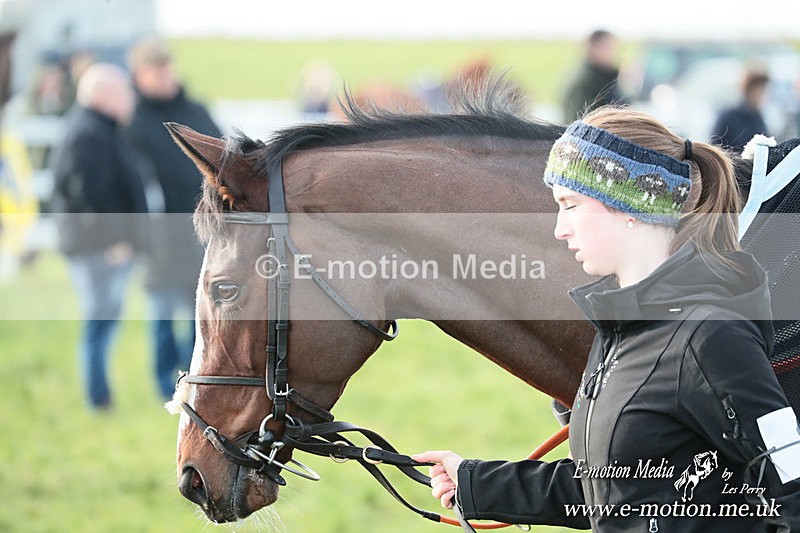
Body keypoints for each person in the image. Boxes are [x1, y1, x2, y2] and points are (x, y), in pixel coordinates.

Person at [414, 107, 800, 531]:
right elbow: (615, 488)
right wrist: (474, 482)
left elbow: (792, 483)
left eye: (571, 205)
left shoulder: (710, 336)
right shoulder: (619, 334)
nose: (560, 229)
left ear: (630, 205)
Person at [125, 36, 221, 400]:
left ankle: (193, 378)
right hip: (160, 236)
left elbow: (222, 154)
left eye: (167, 66)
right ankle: (164, 384)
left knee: (201, 314)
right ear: (140, 74)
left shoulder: (196, 111)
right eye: (156, 68)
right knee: (161, 316)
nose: (165, 74)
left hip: (202, 232)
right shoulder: (132, 121)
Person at [50, 63, 149, 410]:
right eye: (124, 92)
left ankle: (101, 395)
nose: (131, 99)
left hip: (104, 246)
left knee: (105, 317)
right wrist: (113, 241)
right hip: (100, 249)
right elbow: (89, 197)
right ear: (105, 96)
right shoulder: (88, 134)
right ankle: (99, 398)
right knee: (99, 319)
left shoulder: (100, 130)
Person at [562, 30, 626, 122]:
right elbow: (580, 120)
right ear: (594, 48)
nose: (613, 53)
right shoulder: (586, 80)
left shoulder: (604, 75)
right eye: (608, 47)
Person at [710, 69, 771, 153]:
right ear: (749, 90)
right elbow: (714, 149)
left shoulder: (758, 117)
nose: (763, 94)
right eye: (760, 89)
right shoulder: (728, 117)